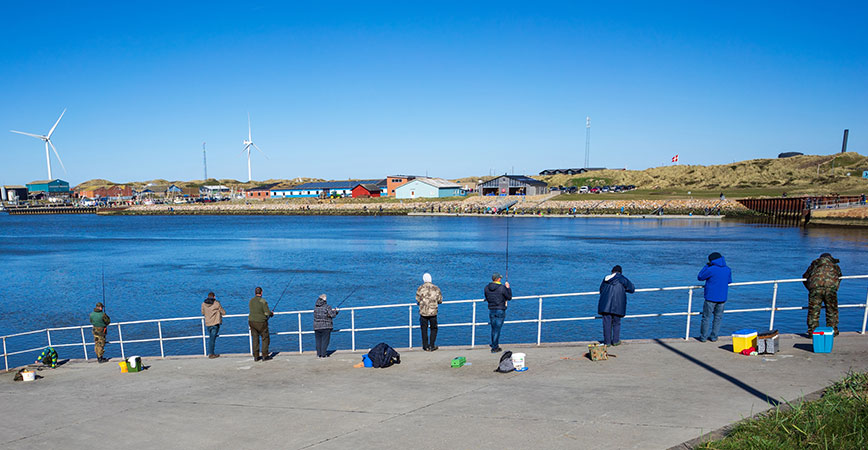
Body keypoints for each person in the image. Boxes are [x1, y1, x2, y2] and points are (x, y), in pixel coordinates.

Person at [803, 253, 842, 336]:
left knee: (813, 311)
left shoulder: (815, 264)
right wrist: (835, 287)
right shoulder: (834, 266)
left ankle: (812, 332)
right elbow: (839, 277)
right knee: (832, 311)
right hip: (830, 289)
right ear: (830, 258)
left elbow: (805, 277)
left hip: (815, 290)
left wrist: (810, 288)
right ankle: (832, 331)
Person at [697, 252, 732, 342]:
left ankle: (703, 337)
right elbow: (729, 281)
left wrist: (706, 266)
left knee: (706, 318)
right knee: (718, 318)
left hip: (710, 297)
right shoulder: (727, 269)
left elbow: (700, 277)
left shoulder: (711, 269)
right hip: (722, 298)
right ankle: (714, 337)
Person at [597, 265, 635, 346]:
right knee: (616, 323)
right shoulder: (622, 279)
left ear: (612, 271)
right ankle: (615, 341)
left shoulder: (606, 279)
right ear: (620, 272)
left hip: (605, 305)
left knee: (606, 324)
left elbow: (601, 289)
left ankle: (607, 342)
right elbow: (632, 289)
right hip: (618, 305)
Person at [484, 272, 512, 353]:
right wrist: (508, 288)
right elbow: (509, 297)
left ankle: (494, 344)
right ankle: (495, 347)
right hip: (500, 309)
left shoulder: (486, 287)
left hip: (491, 309)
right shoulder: (502, 288)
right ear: (498, 279)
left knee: (493, 328)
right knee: (497, 329)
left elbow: (487, 297)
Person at [416, 273, 443, 351]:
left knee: (424, 329)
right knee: (433, 328)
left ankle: (425, 346)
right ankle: (432, 345)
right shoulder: (436, 288)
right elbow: (440, 300)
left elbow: (417, 299)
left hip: (423, 312)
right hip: (433, 312)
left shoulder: (420, 288)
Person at [248, 287, 273, 361]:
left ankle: (256, 356)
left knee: (255, 338)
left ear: (255, 292)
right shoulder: (263, 301)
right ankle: (265, 355)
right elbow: (267, 312)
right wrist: (271, 313)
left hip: (251, 321)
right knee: (265, 338)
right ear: (261, 292)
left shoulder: (251, 301)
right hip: (261, 322)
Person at [201, 292, 227, 359]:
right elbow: (223, 312)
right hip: (215, 323)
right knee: (212, 339)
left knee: (211, 338)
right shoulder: (216, 303)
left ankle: (211, 353)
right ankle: (211, 354)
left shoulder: (203, 304)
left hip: (208, 323)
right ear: (214, 297)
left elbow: (202, 312)